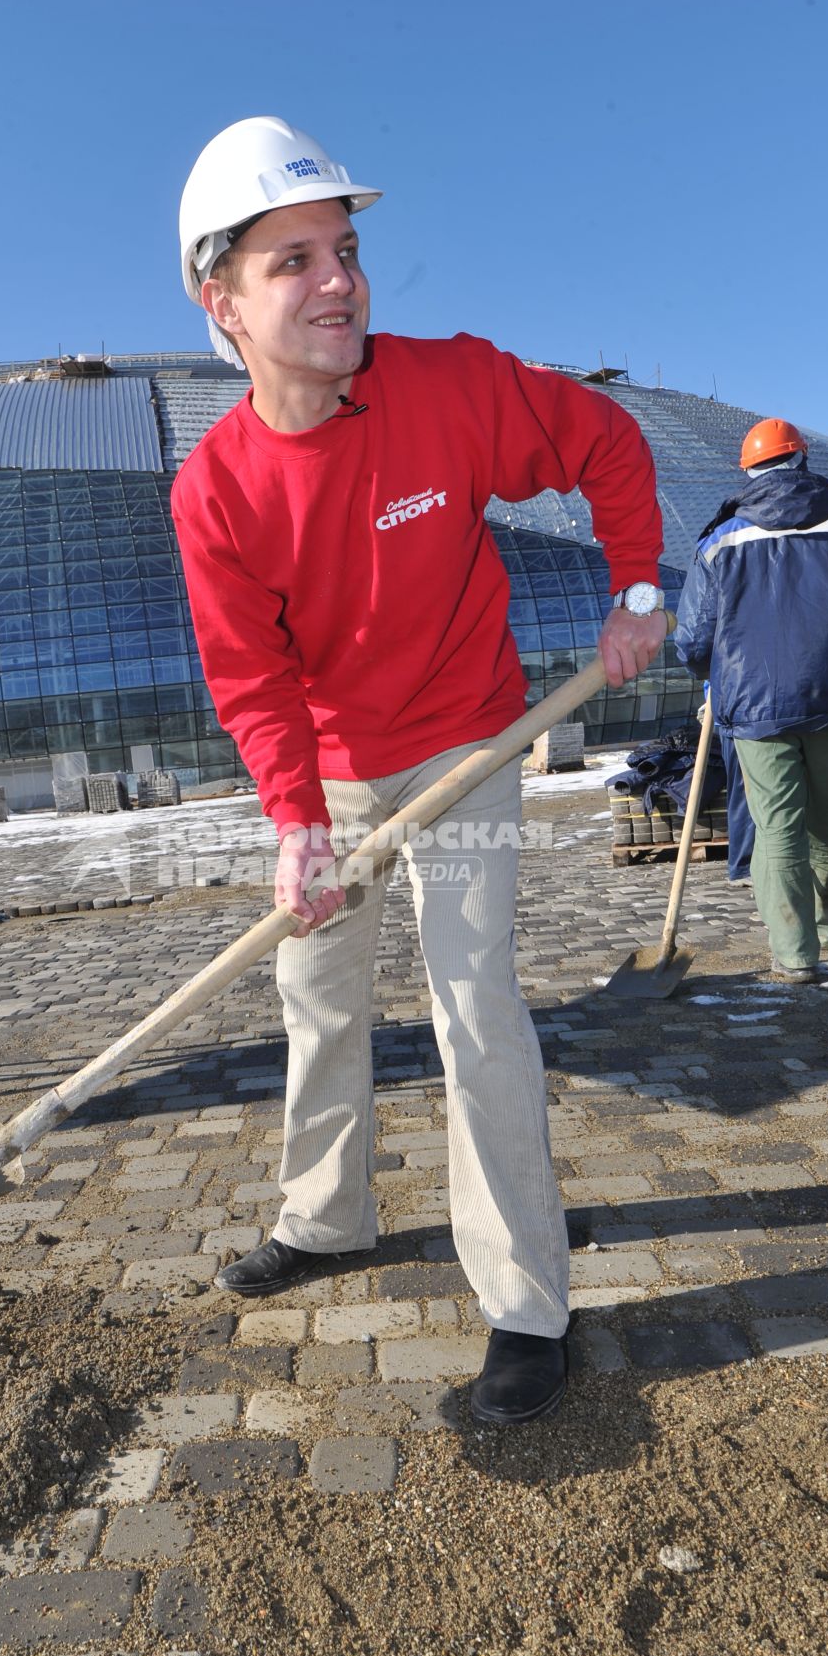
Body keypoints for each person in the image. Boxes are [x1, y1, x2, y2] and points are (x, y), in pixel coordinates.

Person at [170, 116, 667, 1426]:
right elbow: (251, 677)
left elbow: (605, 445)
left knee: (472, 1006)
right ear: (219, 301)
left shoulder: (447, 388)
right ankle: (324, 1221)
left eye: (345, 249)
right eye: (293, 261)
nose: (338, 278)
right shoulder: (215, 491)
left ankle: (523, 1303)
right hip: (334, 767)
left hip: (467, 736)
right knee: (317, 994)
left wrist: (630, 583)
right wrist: (295, 821)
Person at [674, 418, 828, 983]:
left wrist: (716, 674)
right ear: (804, 462)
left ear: (748, 470)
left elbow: (692, 637)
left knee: (778, 826)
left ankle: (795, 954)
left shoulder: (721, 541)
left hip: (756, 710)